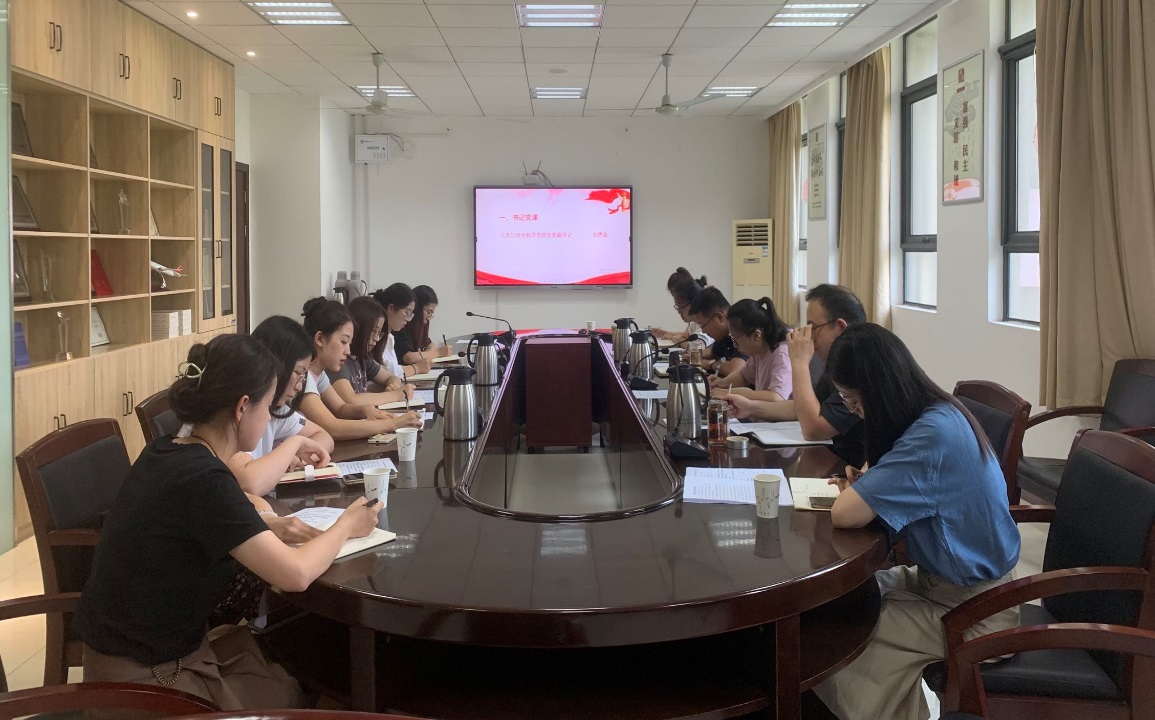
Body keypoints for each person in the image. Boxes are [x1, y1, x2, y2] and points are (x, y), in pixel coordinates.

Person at [74, 334, 383, 711]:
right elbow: (296, 574)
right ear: (242, 407)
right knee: (299, 690)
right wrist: (347, 525)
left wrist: (265, 524)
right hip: (145, 682)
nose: (269, 418)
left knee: (291, 673)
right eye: (267, 407)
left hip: (136, 655)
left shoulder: (170, 450)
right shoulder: (204, 479)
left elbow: (209, 515)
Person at [813, 323, 1020, 720]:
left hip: (975, 611)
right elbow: (875, 475)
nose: (855, 412)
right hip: (946, 586)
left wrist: (864, 490)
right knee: (844, 602)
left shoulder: (931, 436)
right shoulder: (933, 412)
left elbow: (845, 512)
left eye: (854, 401)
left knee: (848, 642)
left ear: (879, 391)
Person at [724, 284, 866, 465]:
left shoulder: (857, 365)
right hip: (827, 460)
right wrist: (750, 407)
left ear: (839, 327)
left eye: (813, 327)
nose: (808, 335)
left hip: (847, 465)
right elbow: (801, 409)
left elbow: (814, 429)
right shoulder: (836, 363)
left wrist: (799, 363)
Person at [222, 316, 335, 497]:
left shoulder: (275, 409)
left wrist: (291, 457)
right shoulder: (232, 413)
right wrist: (293, 445)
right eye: (298, 373)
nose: (299, 386)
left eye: (304, 376)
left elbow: (324, 437)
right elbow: (249, 484)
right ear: (276, 364)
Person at [299, 297, 422, 441]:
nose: (347, 351)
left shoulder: (319, 375)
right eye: (343, 341)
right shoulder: (302, 377)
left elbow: (341, 408)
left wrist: (365, 410)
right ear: (320, 339)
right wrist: (394, 424)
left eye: (349, 343)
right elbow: (333, 427)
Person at [328, 296, 418, 408]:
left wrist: (392, 386)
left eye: (379, 333)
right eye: (374, 331)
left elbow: (392, 377)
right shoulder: (338, 361)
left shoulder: (362, 358)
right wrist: (394, 395)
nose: (376, 339)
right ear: (359, 328)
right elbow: (351, 400)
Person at [708, 297, 792, 402]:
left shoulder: (782, 353)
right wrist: (721, 382)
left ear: (756, 335)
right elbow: (743, 376)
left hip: (780, 412)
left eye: (736, 339)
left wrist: (730, 393)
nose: (735, 345)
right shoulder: (759, 351)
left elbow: (776, 397)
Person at [370, 284, 433, 378]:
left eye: (410, 314)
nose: (408, 319)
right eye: (407, 312)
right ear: (391, 308)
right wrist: (416, 368)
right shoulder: (375, 338)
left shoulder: (390, 337)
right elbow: (387, 371)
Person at [687, 286, 747, 377]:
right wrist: (692, 356)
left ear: (719, 317)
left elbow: (735, 370)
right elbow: (713, 352)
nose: (703, 330)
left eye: (703, 325)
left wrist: (711, 364)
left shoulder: (741, 327)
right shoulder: (724, 334)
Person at [650, 268, 712, 346]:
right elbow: (687, 335)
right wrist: (666, 334)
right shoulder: (695, 322)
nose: (679, 312)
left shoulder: (707, 321)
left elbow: (698, 346)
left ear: (694, 303)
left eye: (680, 306)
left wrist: (675, 338)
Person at [395, 285, 452, 365]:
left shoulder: (419, 329)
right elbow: (409, 358)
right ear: (417, 308)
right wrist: (438, 353)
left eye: (431, 314)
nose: (428, 318)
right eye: (428, 312)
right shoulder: (400, 326)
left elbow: (431, 345)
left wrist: (426, 353)